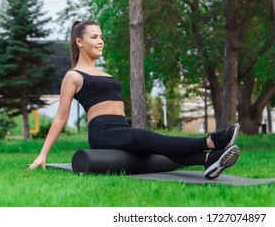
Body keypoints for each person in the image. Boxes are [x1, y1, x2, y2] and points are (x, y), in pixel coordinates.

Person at [28, 20, 240, 179]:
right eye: (94, 37)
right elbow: (60, 118)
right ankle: (211, 141)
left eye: (101, 37)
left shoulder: (104, 73)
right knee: (146, 137)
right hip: (103, 134)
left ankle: (209, 160)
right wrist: (43, 154)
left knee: (155, 148)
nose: (100, 41)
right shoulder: (73, 75)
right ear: (79, 42)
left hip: (122, 128)